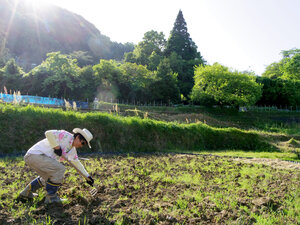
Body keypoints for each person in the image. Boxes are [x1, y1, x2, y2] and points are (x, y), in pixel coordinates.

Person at [19, 128, 94, 204]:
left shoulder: (71, 150)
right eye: (83, 143)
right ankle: (51, 197)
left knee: (50, 177)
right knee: (59, 169)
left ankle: (26, 193)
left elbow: (76, 163)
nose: (82, 146)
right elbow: (48, 133)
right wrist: (56, 147)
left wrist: (87, 176)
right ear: (78, 137)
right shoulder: (65, 135)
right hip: (34, 155)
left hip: (38, 158)